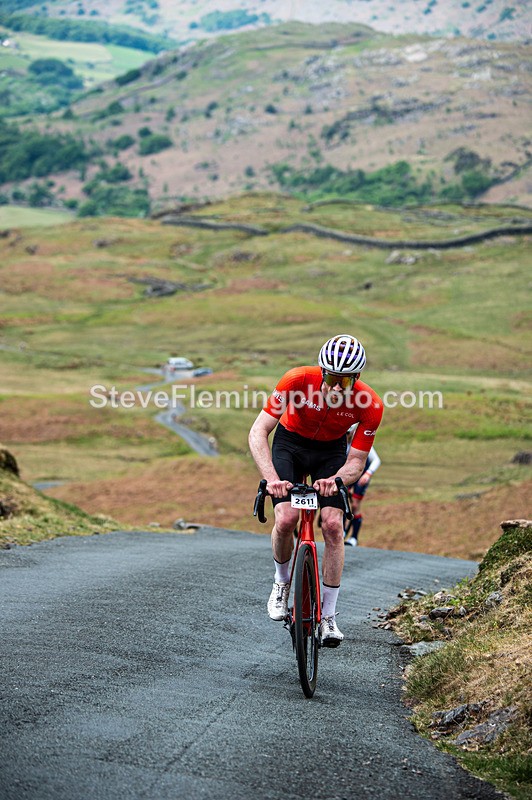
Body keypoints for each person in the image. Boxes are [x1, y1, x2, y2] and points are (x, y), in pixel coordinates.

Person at [248, 334, 383, 647]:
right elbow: (259, 431)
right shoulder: (297, 380)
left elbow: (357, 460)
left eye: (345, 382)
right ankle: (281, 586)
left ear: (356, 380)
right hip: (290, 444)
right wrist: (270, 478)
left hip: (330, 453)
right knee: (285, 519)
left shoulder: (370, 405)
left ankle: (329, 618)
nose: (337, 388)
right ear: (323, 372)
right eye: (332, 378)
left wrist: (337, 481)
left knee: (334, 526)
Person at [343, 432, 381, 547]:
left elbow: (376, 460)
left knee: (355, 505)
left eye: (348, 434)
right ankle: (342, 531)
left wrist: (368, 474)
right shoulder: (340, 441)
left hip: (362, 475)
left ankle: (354, 537)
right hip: (349, 474)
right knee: (342, 502)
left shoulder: (359, 439)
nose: (346, 436)